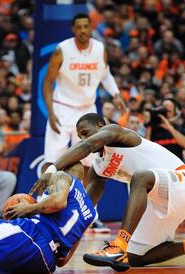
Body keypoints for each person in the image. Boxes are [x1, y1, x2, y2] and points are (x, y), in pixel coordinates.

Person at [31, 113, 185, 271]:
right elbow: (86, 210)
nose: (83, 138)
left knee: (140, 177)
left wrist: (51, 169)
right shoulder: (98, 168)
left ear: (100, 126)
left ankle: (118, 244)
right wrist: (66, 250)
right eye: (80, 135)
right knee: (136, 258)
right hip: (161, 199)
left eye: (85, 132)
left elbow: (88, 145)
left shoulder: (116, 132)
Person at [43, 13, 125, 232]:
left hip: (87, 110)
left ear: (90, 28)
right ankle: (47, 206)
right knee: (52, 160)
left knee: (91, 165)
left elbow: (105, 74)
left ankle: (89, 212)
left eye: (85, 26)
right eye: (78, 27)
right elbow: (47, 82)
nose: (82, 30)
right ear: (73, 29)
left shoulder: (99, 49)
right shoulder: (62, 49)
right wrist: (50, 113)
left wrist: (115, 94)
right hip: (62, 108)